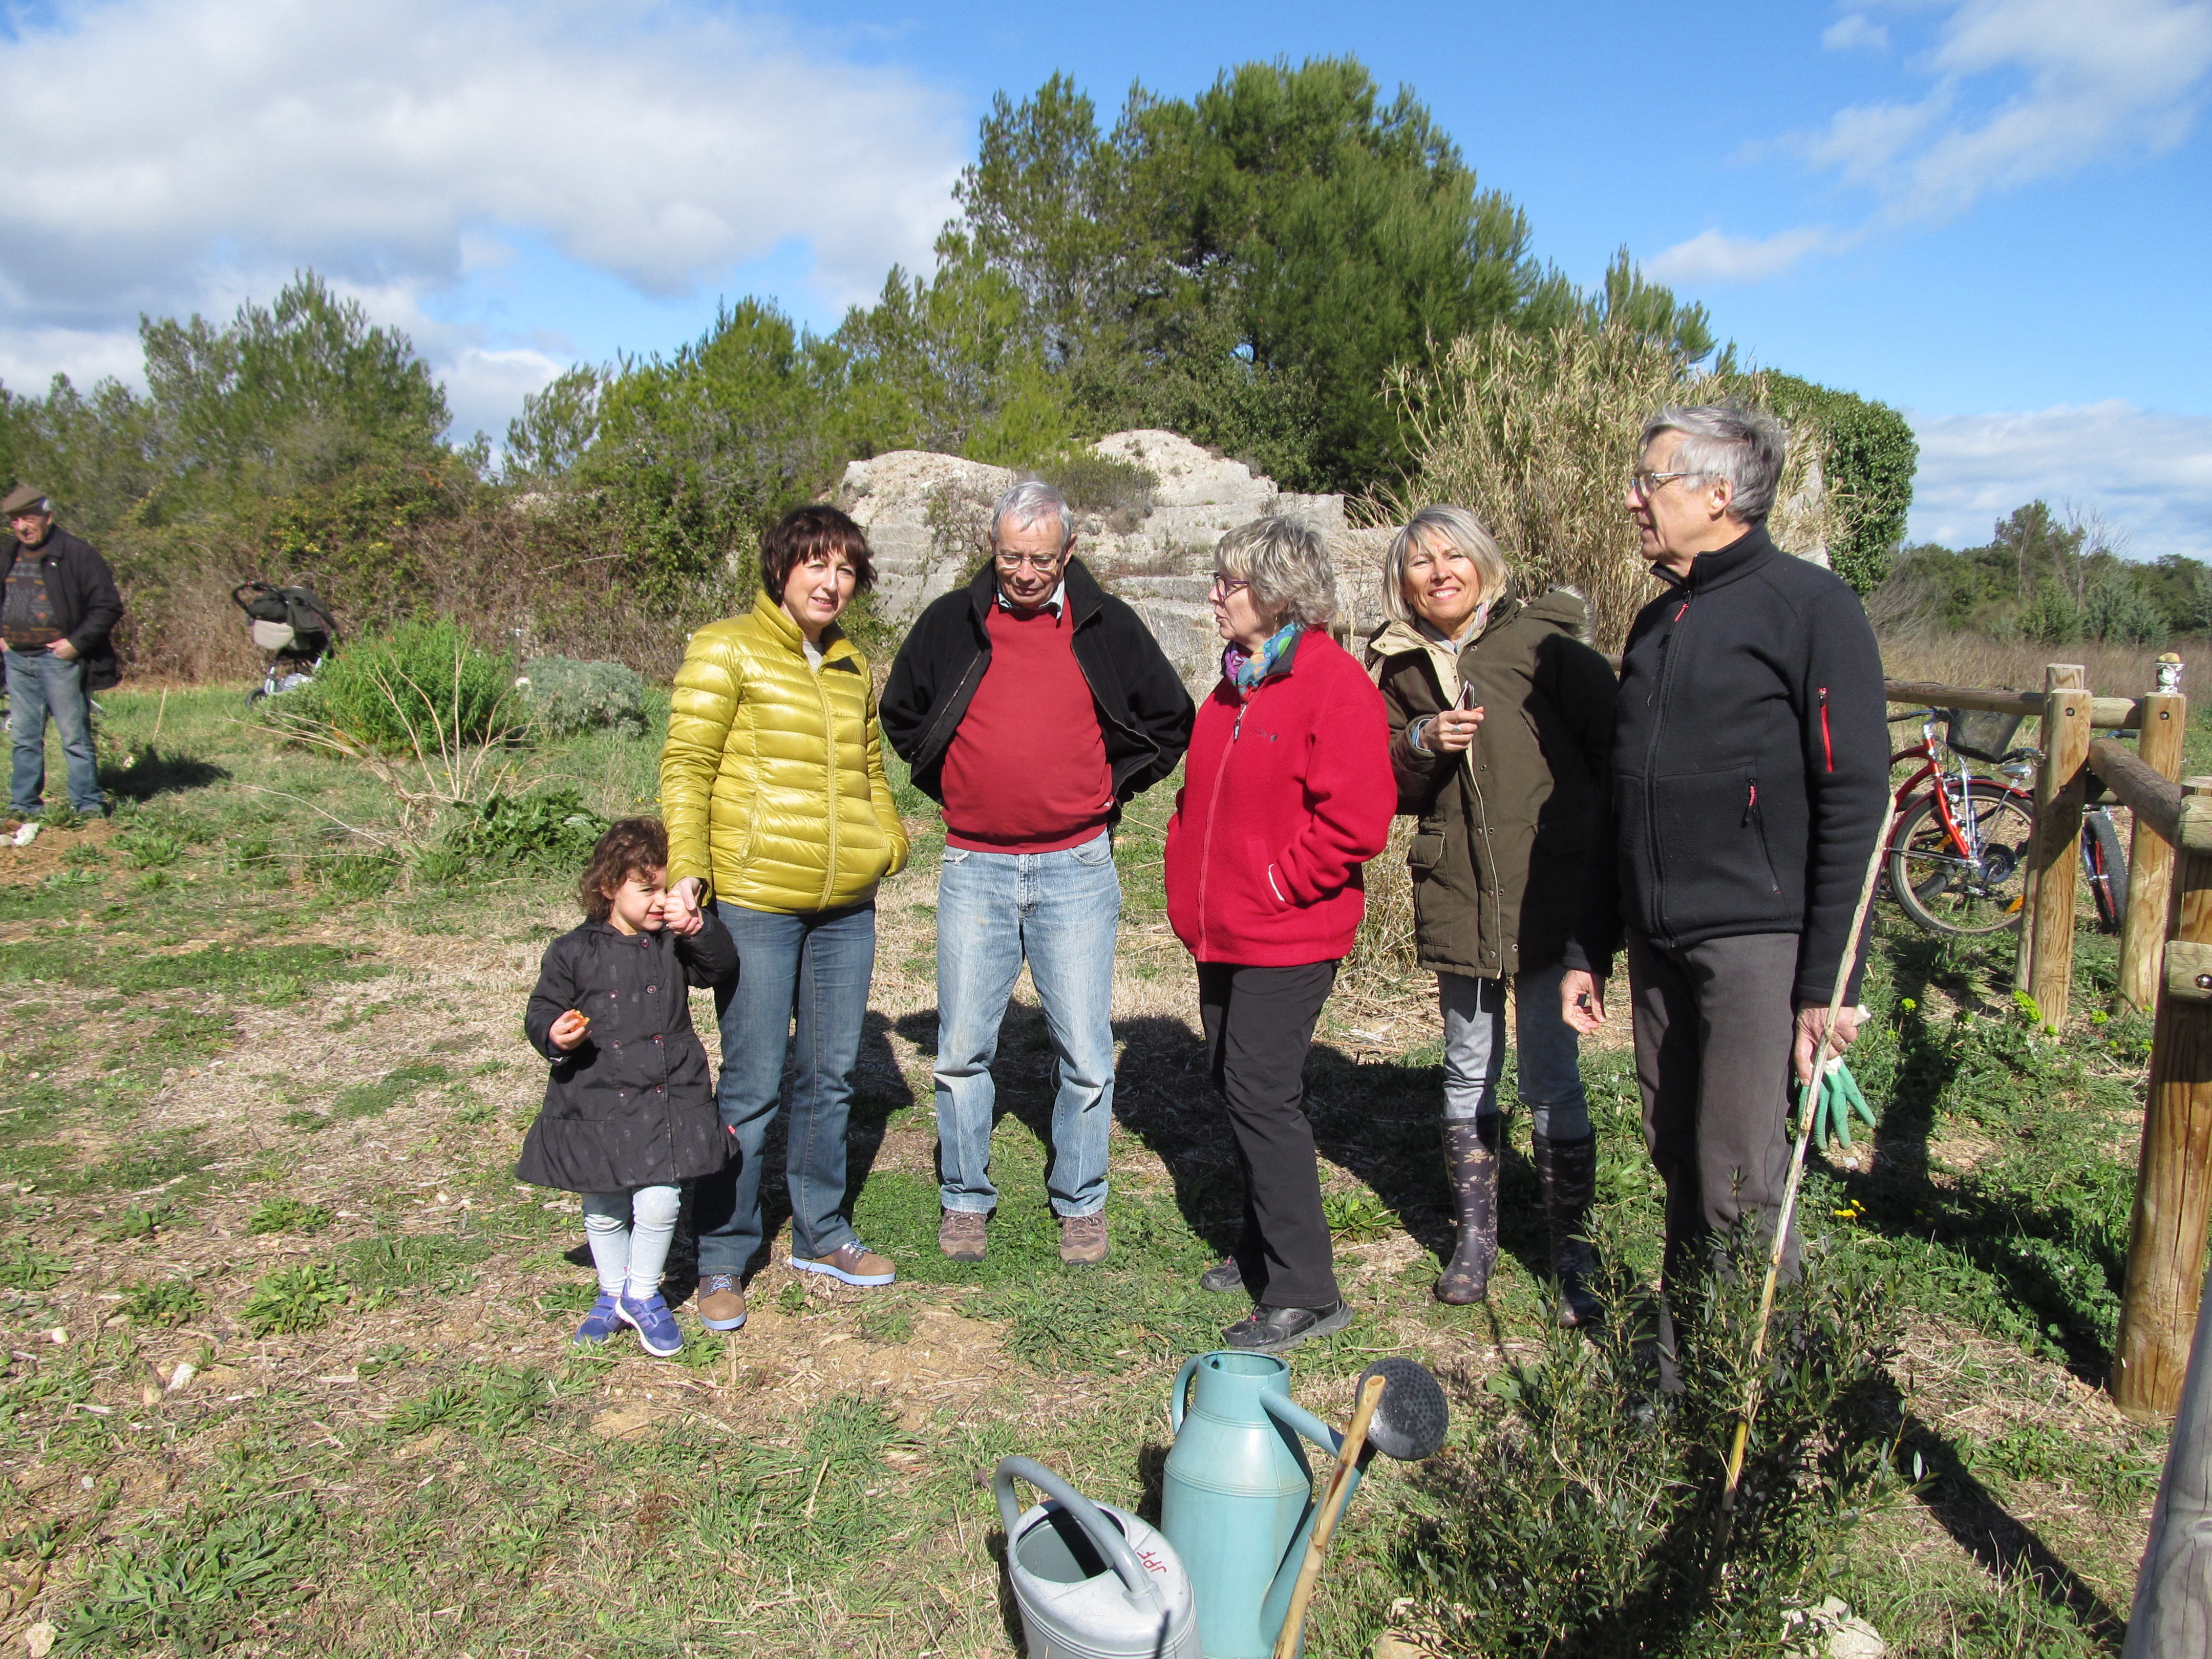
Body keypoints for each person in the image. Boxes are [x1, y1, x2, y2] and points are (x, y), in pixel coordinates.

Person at [1559, 404, 1888, 1326]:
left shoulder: (1811, 608)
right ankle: (1689, 1360)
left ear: (1718, 492)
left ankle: (1763, 1379)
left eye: (1650, 480)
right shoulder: (1657, 621)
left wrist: (1828, 987)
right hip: (1660, 940)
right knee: (1675, 1151)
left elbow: (1854, 799)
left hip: (1757, 942)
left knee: (1739, 1172)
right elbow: (1621, 798)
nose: (1634, 499)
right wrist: (1589, 945)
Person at [881, 480, 1193, 1266]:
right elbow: (902, 711)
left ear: (1070, 552)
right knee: (960, 1050)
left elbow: (1170, 718)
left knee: (1086, 1054)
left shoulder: (1107, 624)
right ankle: (964, 1199)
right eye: (1011, 556)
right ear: (994, 549)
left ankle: (1081, 1202)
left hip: (1076, 868)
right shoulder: (952, 621)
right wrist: (953, 779)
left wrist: (1112, 786)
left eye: (1041, 559)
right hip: (975, 865)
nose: (1025, 572)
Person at [660, 504, 910, 1333]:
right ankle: (722, 1253)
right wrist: (690, 868)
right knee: (753, 1082)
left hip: (845, 908)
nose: (831, 582)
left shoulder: (851, 663)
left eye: (846, 569)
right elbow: (688, 765)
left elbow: (869, 768)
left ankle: (822, 1233)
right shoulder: (725, 647)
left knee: (831, 1075)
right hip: (758, 900)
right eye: (816, 564)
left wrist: (886, 842)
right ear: (781, 568)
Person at [1366, 505, 1617, 1325]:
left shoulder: (1545, 647)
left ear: (1484, 564)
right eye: (1421, 562)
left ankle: (1571, 1251)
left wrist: (1602, 876)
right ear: (1402, 583)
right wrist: (1421, 741)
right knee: (1467, 1067)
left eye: (1454, 556)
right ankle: (1475, 1241)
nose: (1440, 573)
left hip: (1549, 889)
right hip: (1459, 889)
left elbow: (1614, 754)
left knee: (1552, 1076)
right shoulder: (1399, 664)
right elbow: (1387, 782)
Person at [1163, 516, 1394, 1353]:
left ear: (1276, 591)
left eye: (1227, 582)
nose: (1214, 596)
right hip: (1225, 931)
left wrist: (1276, 886)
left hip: (1288, 932)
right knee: (1234, 1082)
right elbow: (1199, 801)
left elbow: (1358, 820)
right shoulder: (1235, 685)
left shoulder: (1331, 683)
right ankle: (1263, 1243)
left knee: (1262, 1091)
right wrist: (1186, 881)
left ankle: (1306, 1289)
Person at [518, 818, 737, 1356]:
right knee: (603, 1204)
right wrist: (553, 1033)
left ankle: (642, 1294)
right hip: (595, 1096)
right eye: (648, 890)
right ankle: (612, 1292)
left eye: (667, 888)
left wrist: (698, 927)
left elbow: (719, 967)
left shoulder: (671, 942)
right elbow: (542, 1006)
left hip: (666, 1092)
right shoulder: (571, 951)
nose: (661, 901)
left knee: (661, 1200)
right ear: (609, 887)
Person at [1, 486, 123, 821]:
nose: (22, 527)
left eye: (29, 519)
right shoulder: (8, 553)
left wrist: (75, 644)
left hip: (58, 660)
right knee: (24, 737)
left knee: (74, 736)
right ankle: (24, 805)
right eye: (15, 521)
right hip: (17, 659)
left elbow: (108, 606)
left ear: (48, 517)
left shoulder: (77, 553)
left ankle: (88, 804)